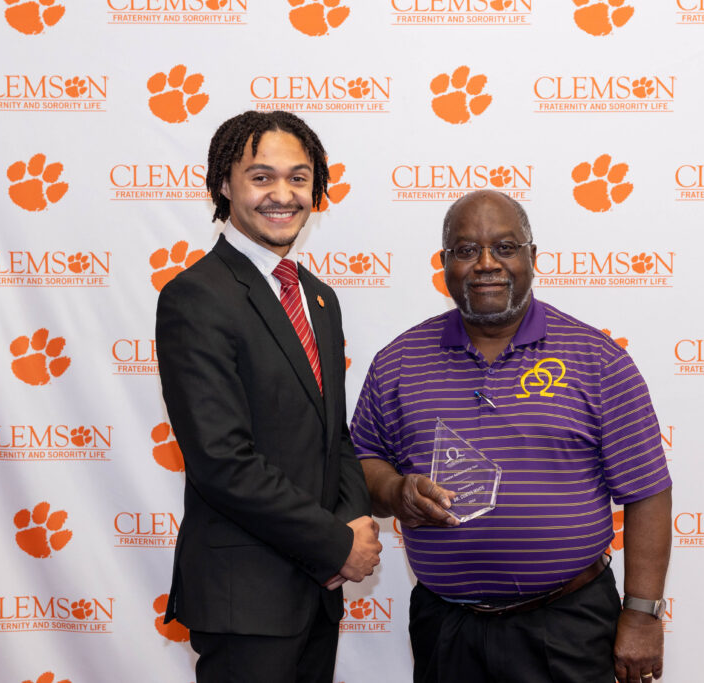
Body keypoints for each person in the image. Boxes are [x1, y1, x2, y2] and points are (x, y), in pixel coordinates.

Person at [350, 189, 672, 683]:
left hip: (568, 624)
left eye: (505, 247)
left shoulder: (597, 360)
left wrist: (643, 613)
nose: (486, 264)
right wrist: (396, 491)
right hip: (446, 625)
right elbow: (363, 459)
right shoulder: (399, 362)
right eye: (465, 250)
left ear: (532, 258)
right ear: (444, 264)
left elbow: (647, 490)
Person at [156, 110, 381, 683]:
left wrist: (352, 523)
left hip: (316, 592)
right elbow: (221, 462)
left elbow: (335, 436)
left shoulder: (319, 298)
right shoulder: (196, 297)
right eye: (261, 177)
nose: (283, 194)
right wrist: (334, 544)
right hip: (246, 601)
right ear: (224, 184)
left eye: (299, 178)